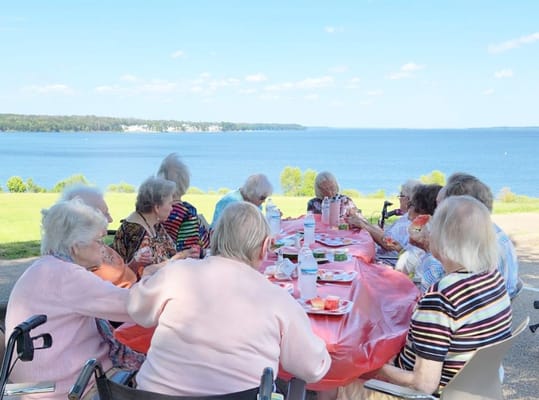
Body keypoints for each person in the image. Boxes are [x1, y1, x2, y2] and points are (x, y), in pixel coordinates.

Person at [128, 202, 331, 396]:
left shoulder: (178, 273)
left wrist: (148, 277)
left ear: (214, 237)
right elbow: (312, 367)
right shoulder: (279, 300)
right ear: (265, 247)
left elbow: (137, 308)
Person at [336, 195, 513, 400]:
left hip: (414, 394)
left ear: (443, 237)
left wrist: (374, 366)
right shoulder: (492, 278)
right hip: (474, 390)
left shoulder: (441, 297)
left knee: (334, 383)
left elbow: (424, 384)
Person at [4, 199, 135, 400]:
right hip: (61, 386)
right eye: (98, 241)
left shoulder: (43, 267)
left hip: (26, 386)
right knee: (154, 371)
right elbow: (134, 306)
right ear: (75, 246)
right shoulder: (67, 275)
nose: (104, 247)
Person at [441, 172, 520, 298]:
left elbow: (452, 291)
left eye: (444, 207)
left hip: (484, 310)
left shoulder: (476, 244)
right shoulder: (492, 231)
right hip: (498, 307)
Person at [60, 185, 137, 288]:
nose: (110, 219)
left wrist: (136, 264)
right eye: (105, 214)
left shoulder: (97, 243)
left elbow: (120, 275)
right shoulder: (81, 253)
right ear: (84, 219)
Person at [112, 176, 185, 279]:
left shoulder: (154, 223)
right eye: (170, 204)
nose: (172, 208)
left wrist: (185, 255)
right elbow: (139, 275)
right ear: (157, 207)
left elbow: (172, 251)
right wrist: (179, 258)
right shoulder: (137, 232)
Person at [346, 179, 421, 263]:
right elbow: (386, 237)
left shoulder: (413, 221)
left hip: (386, 260)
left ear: (409, 199)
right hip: (381, 255)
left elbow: (389, 244)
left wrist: (364, 226)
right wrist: (362, 222)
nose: (399, 198)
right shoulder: (407, 216)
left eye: (401, 195)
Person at [157, 153, 210, 257]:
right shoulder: (187, 213)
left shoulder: (156, 212)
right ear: (184, 181)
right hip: (186, 265)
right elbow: (195, 251)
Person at [394, 184, 443, 293]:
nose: (408, 208)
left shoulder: (423, 231)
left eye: (411, 204)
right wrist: (400, 249)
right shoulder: (432, 232)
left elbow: (403, 269)